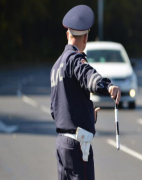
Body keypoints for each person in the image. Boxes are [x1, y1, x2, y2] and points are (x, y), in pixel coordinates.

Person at [50, 5, 121, 180]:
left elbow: (56, 110)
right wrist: (108, 87)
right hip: (77, 146)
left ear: (68, 34)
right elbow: (89, 77)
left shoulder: (56, 66)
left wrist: (86, 114)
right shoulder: (75, 59)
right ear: (86, 37)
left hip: (62, 145)